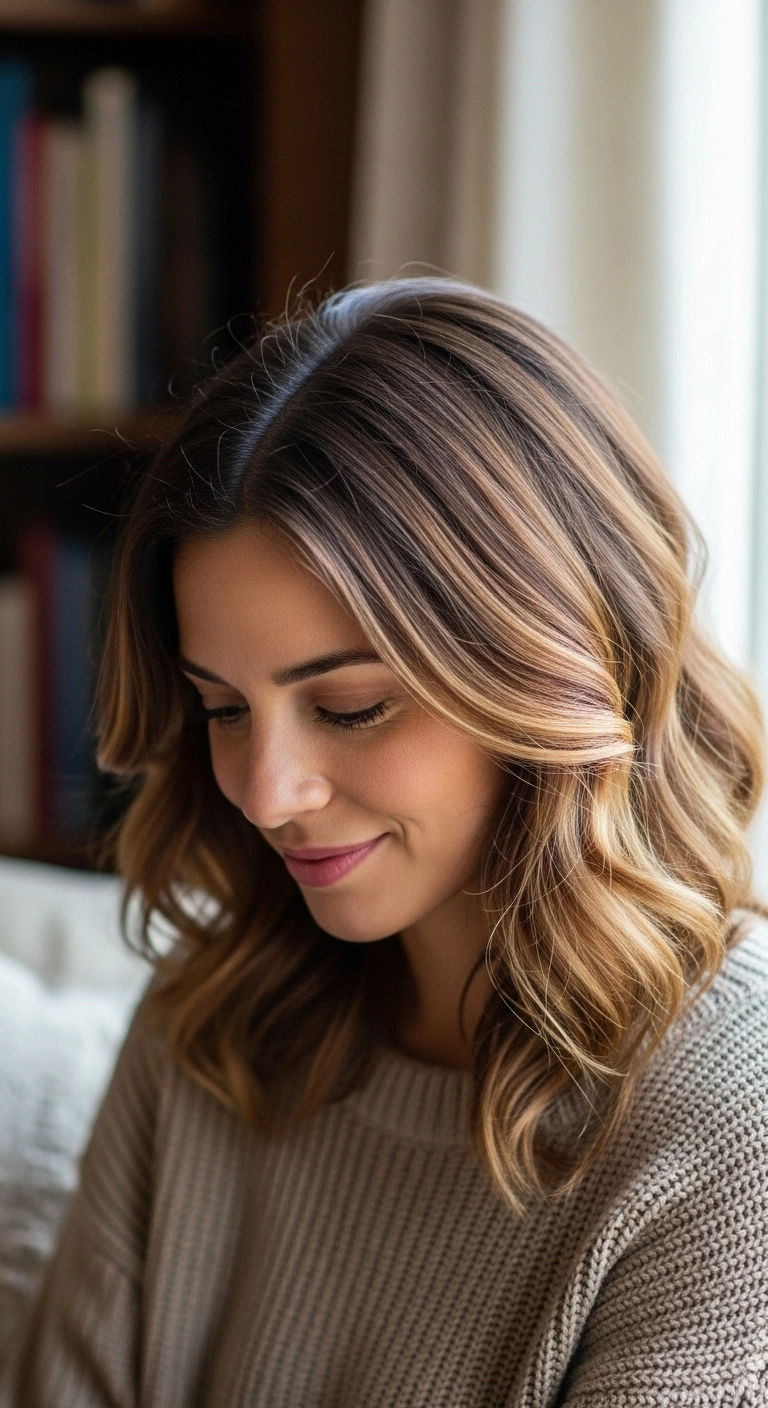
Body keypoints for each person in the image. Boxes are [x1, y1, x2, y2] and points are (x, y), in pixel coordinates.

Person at [3, 279, 767, 1407]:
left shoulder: (726, 1121)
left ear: (547, 667)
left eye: (351, 704)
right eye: (222, 708)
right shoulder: (211, 1026)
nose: (266, 793)